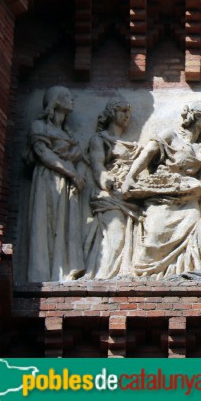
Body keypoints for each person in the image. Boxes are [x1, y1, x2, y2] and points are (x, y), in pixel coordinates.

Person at [120, 101, 201, 278]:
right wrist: (129, 178)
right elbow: (147, 154)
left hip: (188, 202)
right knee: (153, 237)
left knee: (194, 225)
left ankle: (178, 275)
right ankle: (141, 276)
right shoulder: (170, 136)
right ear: (196, 116)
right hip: (163, 195)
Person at [24, 86, 87, 282]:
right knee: (45, 222)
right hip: (47, 179)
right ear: (56, 101)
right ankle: (41, 274)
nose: (72, 99)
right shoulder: (39, 126)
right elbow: (44, 154)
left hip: (67, 183)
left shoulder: (68, 134)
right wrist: (72, 173)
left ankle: (63, 272)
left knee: (66, 226)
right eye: (68, 96)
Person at [84, 98, 141, 279]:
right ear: (111, 113)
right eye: (122, 110)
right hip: (111, 194)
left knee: (125, 236)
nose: (127, 115)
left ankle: (120, 275)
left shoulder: (133, 146)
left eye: (129, 111)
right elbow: (97, 166)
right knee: (115, 235)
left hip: (131, 195)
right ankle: (102, 277)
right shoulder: (99, 139)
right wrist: (106, 180)